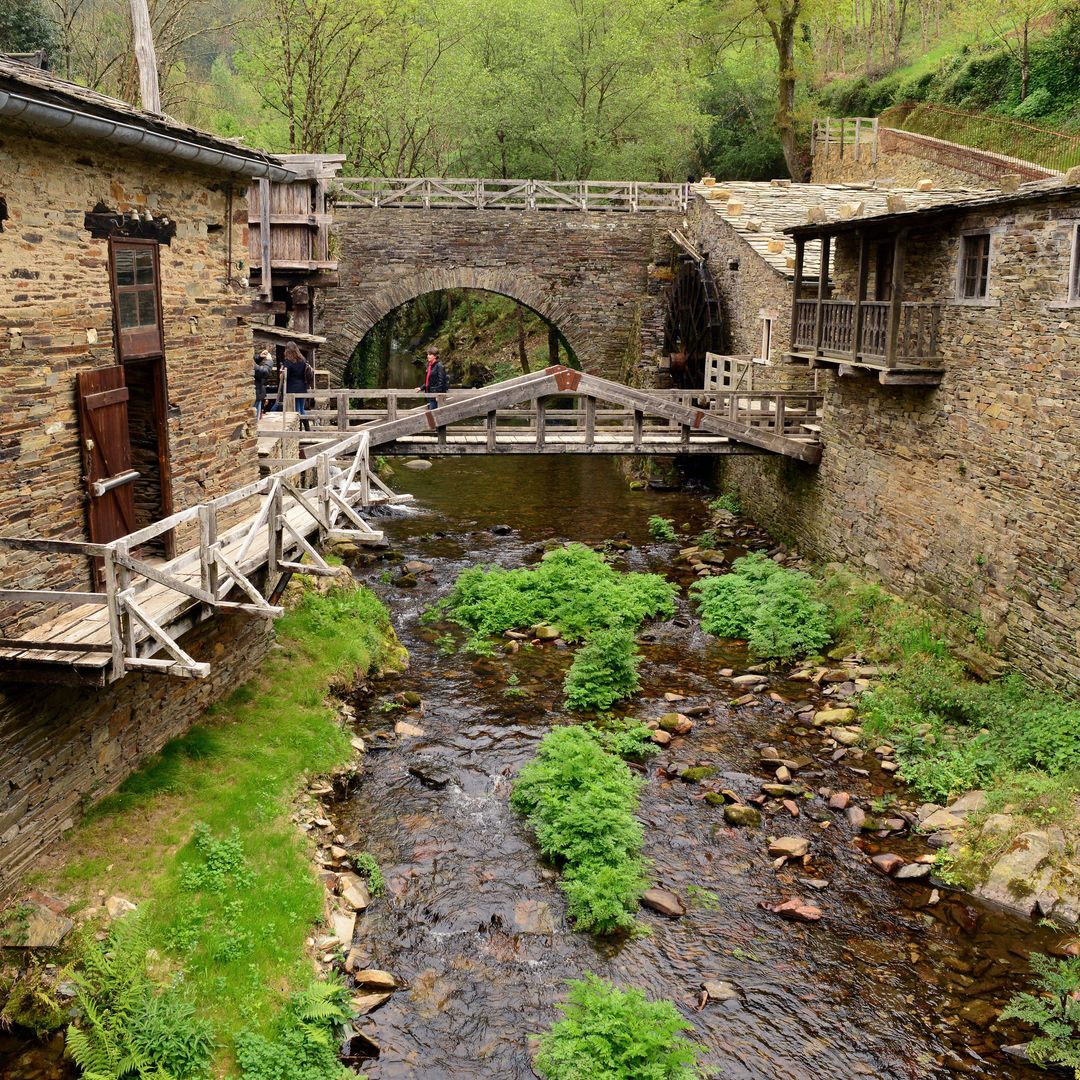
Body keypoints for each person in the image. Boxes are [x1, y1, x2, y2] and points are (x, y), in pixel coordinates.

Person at [269, 341, 314, 431]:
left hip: (292, 389)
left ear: (287, 350)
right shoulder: (303, 360)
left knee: (296, 411)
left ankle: (299, 430)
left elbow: (285, 377)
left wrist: (281, 373)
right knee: (301, 409)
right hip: (302, 387)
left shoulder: (288, 362)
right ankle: (306, 428)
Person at [253, 349, 274, 419]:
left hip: (256, 393)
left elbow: (252, 364)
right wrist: (269, 361)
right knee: (255, 421)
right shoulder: (243, 358)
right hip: (255, 394)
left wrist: (259, 357)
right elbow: (265, 372)